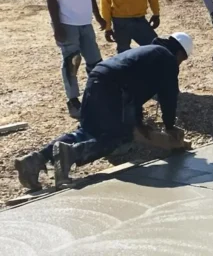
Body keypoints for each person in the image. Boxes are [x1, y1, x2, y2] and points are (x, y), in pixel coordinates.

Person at [14, 33, 193, 191]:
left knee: (87, 131)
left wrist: (138, 122)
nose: (179, 63)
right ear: (180, 53)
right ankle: (72, 153)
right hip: (114, 87)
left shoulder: (150, 52)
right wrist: (170, 126)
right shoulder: (168, 59)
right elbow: (168, 96)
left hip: (98, 78)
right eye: (182, 60)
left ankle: (34, 160)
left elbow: (136, 88)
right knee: (119, 136)